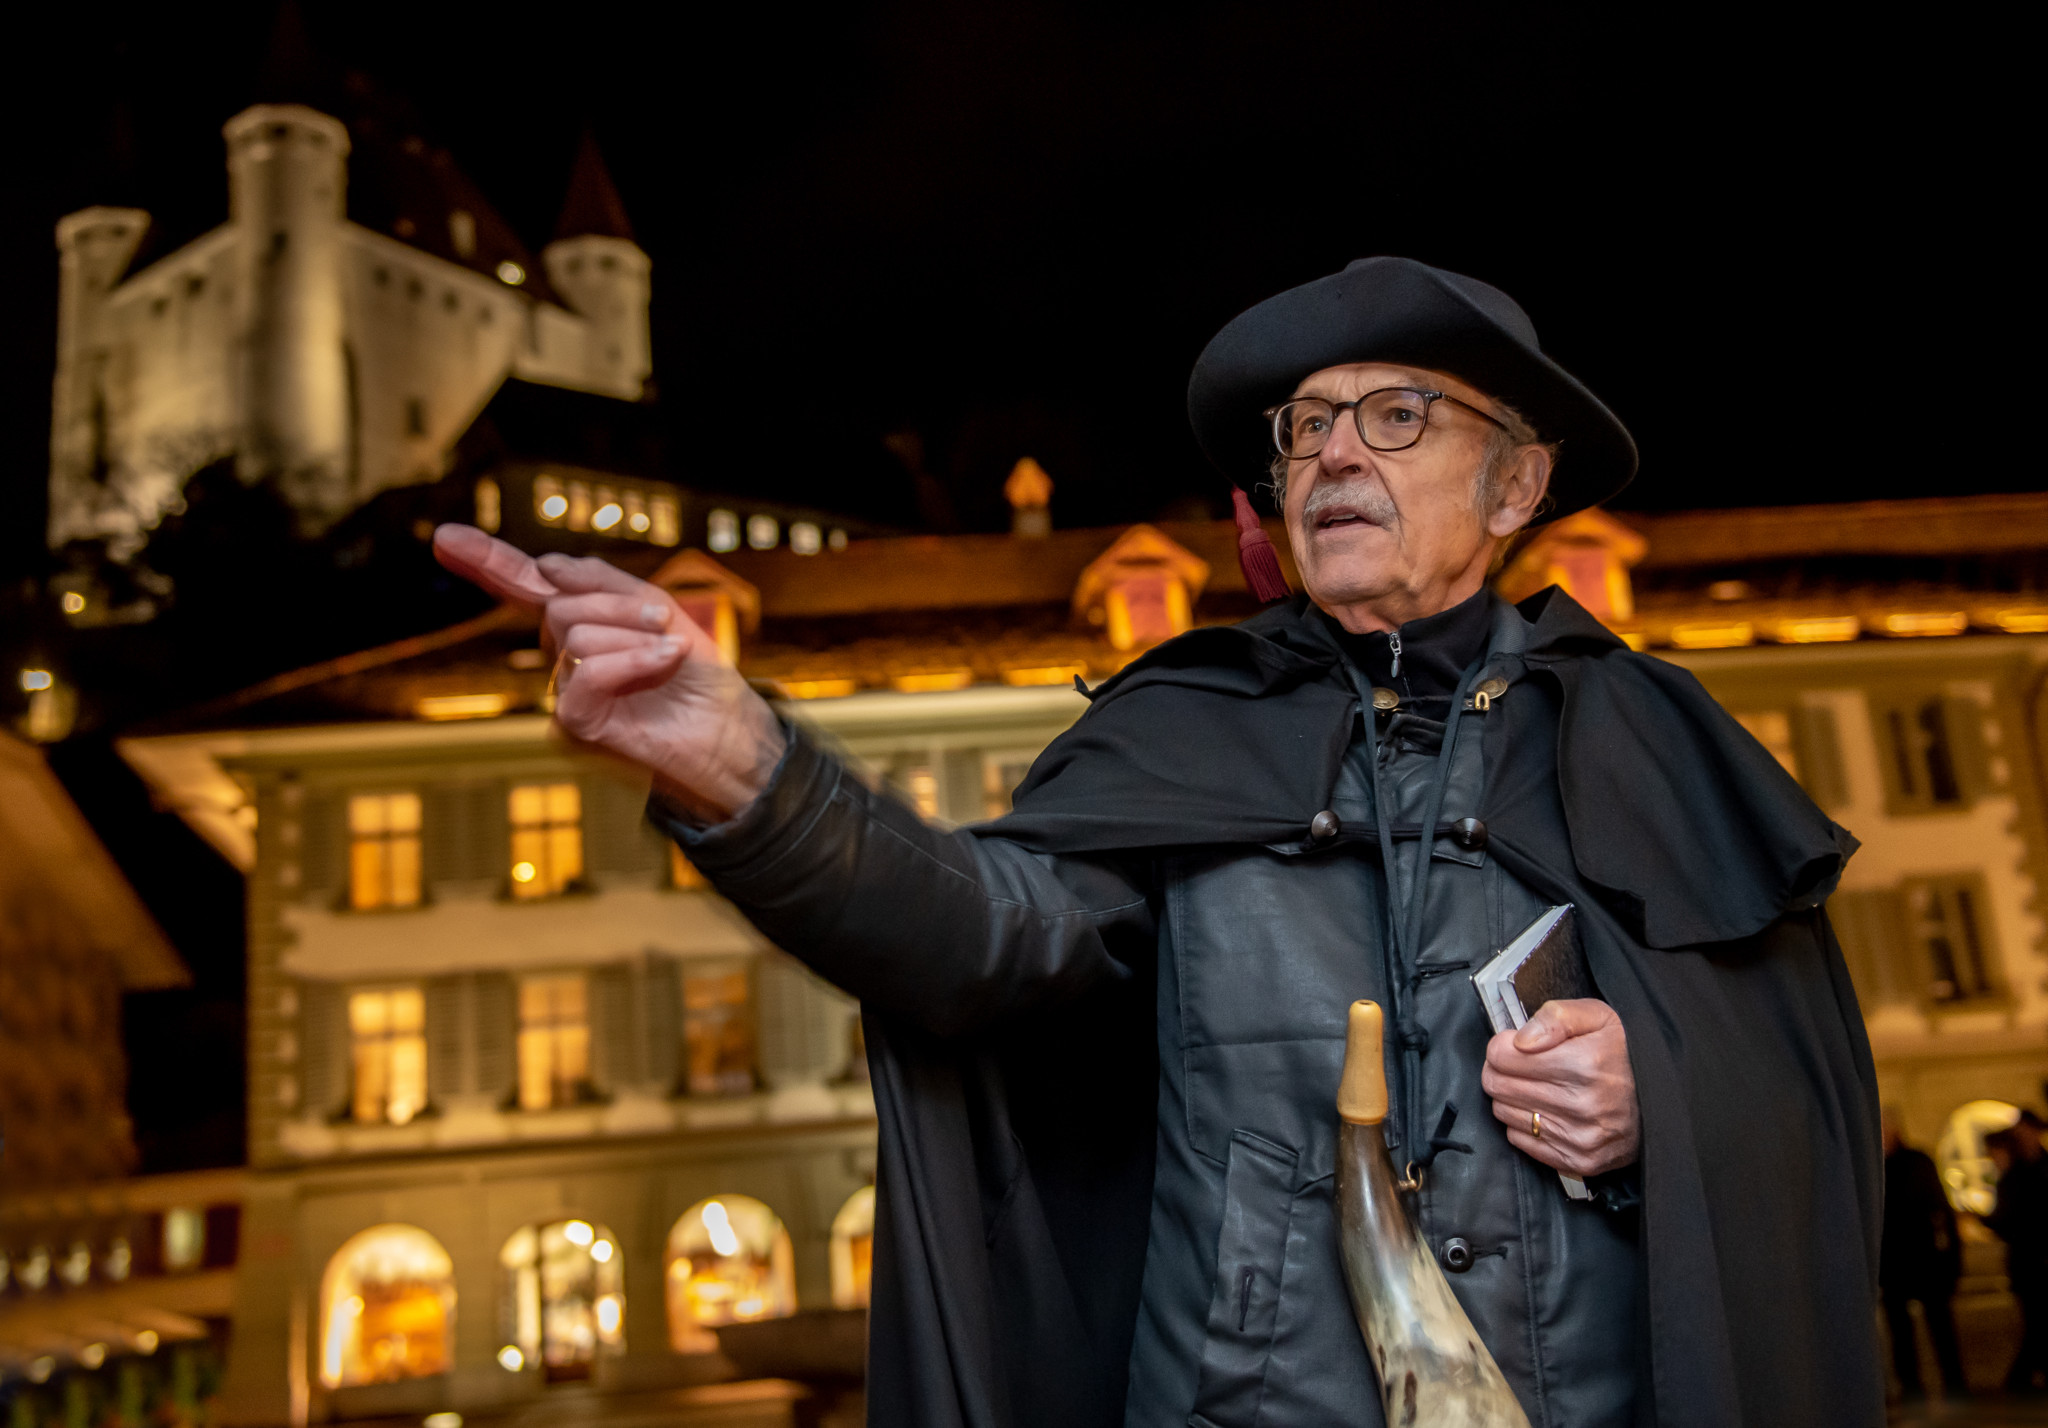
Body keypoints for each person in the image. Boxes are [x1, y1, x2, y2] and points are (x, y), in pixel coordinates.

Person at [434, 257, 1883, 1428]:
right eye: (1305, 427)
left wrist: (1656, 1106)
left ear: (1515, 490)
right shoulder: (1179, 729)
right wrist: (742, 765)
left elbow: (1799, 1099)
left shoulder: (1656, 741)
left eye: (1393, 417)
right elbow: (986, 935)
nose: (1331, 455)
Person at [1881, 1106, 1966, 1399]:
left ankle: (1952, 1384)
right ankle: (1913, 1386)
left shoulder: (1915, 1163)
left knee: (1938, 1328)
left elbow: (1938, 1212)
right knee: (1902, 1333)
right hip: (1894, 1264)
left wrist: (1949, 1258)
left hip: (1922, 1261)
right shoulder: (1880, 1166)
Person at [1990, 1114, 2048, 1393]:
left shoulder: (2035, 1169)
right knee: (2037, 1320)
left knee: (2039, 1323)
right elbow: (2006, 1221)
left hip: (2036, 1257)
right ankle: (2021, 1379)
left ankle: (2020, 1378)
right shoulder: (2015, 1176)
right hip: (2028, 1262)